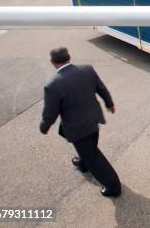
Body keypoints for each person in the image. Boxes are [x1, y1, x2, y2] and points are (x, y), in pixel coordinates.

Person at [39, 47, 121, 197]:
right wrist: (109, 103)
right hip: (93, 119)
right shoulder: (87, 69)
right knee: (87, 145)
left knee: (93, 156)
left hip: (78, 127)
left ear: (52, 62)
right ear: (69, 57)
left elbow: (50, 112)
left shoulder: (53, 84)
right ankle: (83, 163)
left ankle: (113, 186)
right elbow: (101, 88)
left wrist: (44, 126)